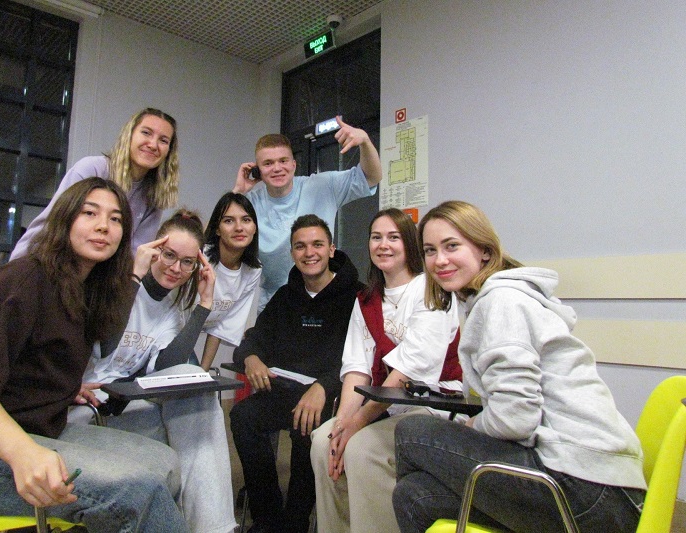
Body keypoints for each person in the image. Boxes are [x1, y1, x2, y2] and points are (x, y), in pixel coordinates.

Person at [0, 178, 188, 532]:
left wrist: (60, 387)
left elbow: (30, 360)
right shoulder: (20, 280)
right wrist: (22, 453)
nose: (104, 225)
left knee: (165, 462)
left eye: (115, 219)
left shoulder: (84, 289)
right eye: (89, 213)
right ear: (64, 220)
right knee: (139, 493)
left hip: (26, 428)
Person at [392, 200, 646, 533]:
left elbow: (515, 419)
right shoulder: (494, 299)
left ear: (484, 250)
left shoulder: (502, 302)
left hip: (587, 489)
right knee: (413, 495)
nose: (440, 260)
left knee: (412, 433)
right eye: (430, 250)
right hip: (597, 489)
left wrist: (471, 427)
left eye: (451, 246)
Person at [70, 210, 237, 533]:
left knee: (198, 396)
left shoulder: (173, 307)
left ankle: (213, 528)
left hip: (124, 404)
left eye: (187, 262)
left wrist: (204, 305)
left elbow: (166, 370)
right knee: (189, 434)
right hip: (83, 406)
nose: (175, 268)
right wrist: (134, 277)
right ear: (153, 250)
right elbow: (107, 346)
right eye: (169, 255)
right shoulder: (114, 285)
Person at [310, 208, 460, 533]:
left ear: (410, 244)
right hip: (388, 405)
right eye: (376, 237)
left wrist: (359, 422)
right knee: (324, 442)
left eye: (394, 237)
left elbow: (406, 370)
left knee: (363, 448)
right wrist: (342, 422)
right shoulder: (366, 299)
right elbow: (357, 369)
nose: (383, 245)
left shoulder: (431, 289)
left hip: (433, 404)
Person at [229, 214, 363, 533]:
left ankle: (296, 521)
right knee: (243, 417)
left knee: (307, 427)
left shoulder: (357, 296)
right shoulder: (285, 296)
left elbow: (361, 360)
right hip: (285, 391)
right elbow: (254, 339)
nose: (309, 253)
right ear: (292, 253)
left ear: (331, 249)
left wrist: (323, 386)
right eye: (300, 246)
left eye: (317, 244)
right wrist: (251, 358)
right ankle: (268, 517)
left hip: (331, 396)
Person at [232, 117, 382, 311]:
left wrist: (365, 142)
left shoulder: (322, 186)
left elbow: (371, 177)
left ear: (294, 164)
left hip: (323, 298)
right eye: (268, 163)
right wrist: (238, 191)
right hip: (275, 304)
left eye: (283, 161)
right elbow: (215, 238)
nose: (277, 168)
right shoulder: (250, 203)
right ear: (257, 171)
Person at [11, 107, 180, 258]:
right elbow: (53, 226)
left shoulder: (154, 195)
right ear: (129, 136)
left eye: (163, 140)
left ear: (169, 151)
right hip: (49, 262)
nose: (153, 145)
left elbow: (134, 254)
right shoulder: (92, 169)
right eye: (146, 133)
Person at [198, 192, 262, 371]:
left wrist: (203, 371)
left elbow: (219, 326)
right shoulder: (200, 258)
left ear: (255, 228)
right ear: (217, 229)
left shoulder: (252, 271)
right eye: (228, 221)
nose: (239, 228)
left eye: (246, 220)